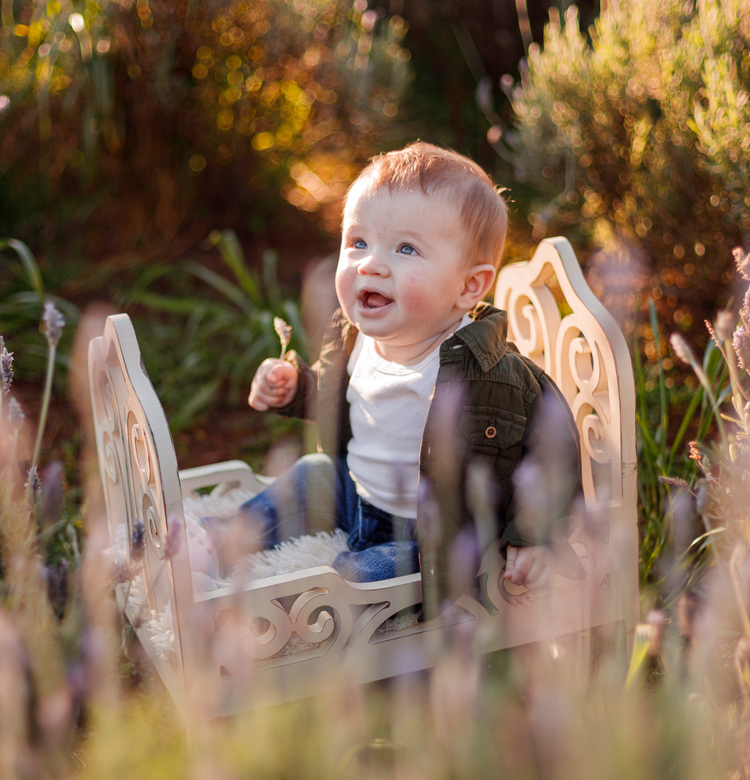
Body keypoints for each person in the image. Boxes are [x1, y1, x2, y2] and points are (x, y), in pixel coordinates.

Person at [191, 142, 581, 613]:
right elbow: (345, 401)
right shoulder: (355, 337)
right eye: (357, 242)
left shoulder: (492, 374)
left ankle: (295, 604)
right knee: (309, 475)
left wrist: (533, 535)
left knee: (356, 582)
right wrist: (295, 388)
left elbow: (551, 450)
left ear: (468, 286)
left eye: (406, 248)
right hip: (355, 492)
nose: (370, 263)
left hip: (426, 534)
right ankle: (218, 543)